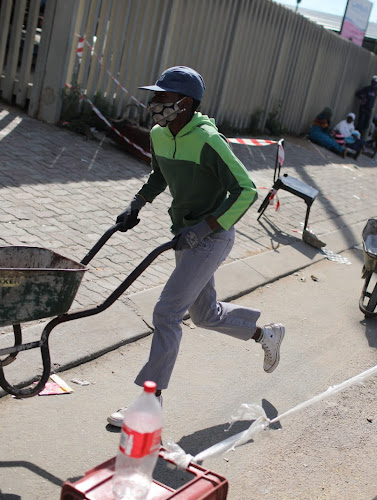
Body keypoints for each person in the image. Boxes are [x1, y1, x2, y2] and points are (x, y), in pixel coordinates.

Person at [108, 66, 285, 427]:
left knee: (167, 312)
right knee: (204, 316)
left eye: (162, 96)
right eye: (154, 95)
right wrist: (137, 204)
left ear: (184, 103)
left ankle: (148, 403)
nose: (154, 103)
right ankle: (264, 334)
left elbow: (246, 190)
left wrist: (206, 227)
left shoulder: (207, 139)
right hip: (184, 235)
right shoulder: (159, 134)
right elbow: (159, 175)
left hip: (212, 236)